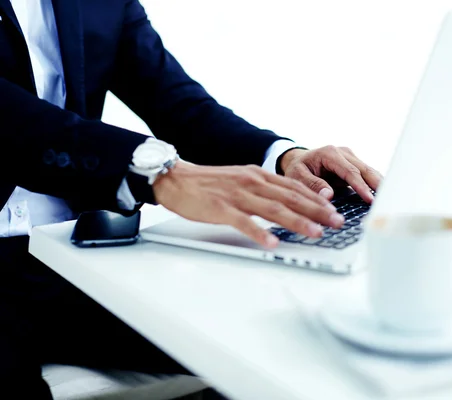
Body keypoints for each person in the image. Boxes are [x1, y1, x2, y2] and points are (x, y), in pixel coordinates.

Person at [0, 0, 382, 398]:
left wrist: (284, 158)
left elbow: (177, 104)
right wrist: (155, 172)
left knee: (279, 345)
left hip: (70, 251)